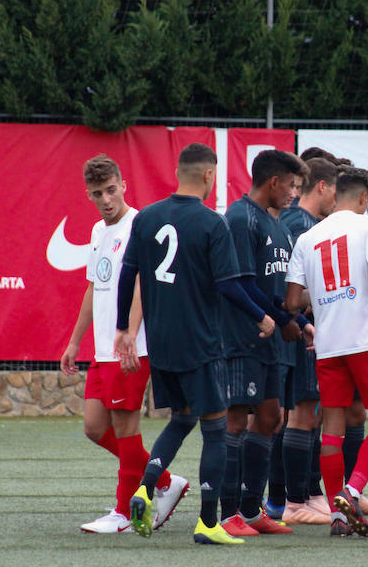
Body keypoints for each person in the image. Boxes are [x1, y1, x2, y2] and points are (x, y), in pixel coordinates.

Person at [114, 142, 275, 545]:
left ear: (178, 172)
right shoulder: (210, 223)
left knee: (182, 419)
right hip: (201, 343)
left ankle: (145, 488)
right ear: (208, 174)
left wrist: (122, 329)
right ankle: (207, 522)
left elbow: (127, 274)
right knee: (216, 430)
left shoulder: (147, 217)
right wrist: (262, 316)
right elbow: (228, 286)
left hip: (163, 344)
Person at [61, 154, 187, 534]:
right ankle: (162, 481)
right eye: (98, 194)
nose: (106, 200)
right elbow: (92, 287)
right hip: (101, 349)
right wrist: (73, 341)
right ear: (89, 195)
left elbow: (141, 287)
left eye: (111, 190)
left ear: (124, 186)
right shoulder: (99, 231)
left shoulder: (139, 226)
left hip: (130, 347)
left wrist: (129, 335)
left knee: (125, 425)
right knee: (95, 427)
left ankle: (123, 513)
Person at [284, 166, 368, 538]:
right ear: (364, 198)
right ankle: (352, 490)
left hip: (329, 344)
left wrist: (320, 299)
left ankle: (337, 512)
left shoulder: (308, 236)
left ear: (336, 196)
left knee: (331, 430)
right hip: (366, 339)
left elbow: (291, 301)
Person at [216, 150, 311, 537]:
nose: (293, 194)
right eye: (291, 186)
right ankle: (227, 513)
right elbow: (240, 283)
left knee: (272, 418)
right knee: (237, 419)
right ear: (274, 182)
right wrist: (283, 320)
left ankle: (252, 509)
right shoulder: (240, 219)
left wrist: (299, 321)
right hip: (243, 336)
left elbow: (271, 288)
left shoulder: (277, 224)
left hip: (272, 335)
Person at [277, 156, 338, 525]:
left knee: (306, 416)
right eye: (336, 190)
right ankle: (294, 501)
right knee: (301, 415)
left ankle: (309, 495)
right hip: (302, 330)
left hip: (301, 328)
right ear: (323, 187)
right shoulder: (303, 225)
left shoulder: (302, 223)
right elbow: (295, 289)